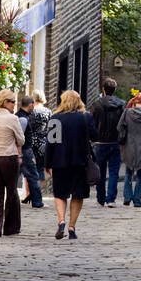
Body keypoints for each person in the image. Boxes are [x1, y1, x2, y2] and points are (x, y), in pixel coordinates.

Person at [44, 90, 98, 240]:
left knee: (60, 194)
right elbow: (95, 136)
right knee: (77, 195)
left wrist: (47, 163)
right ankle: (72, 227)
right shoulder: (86, 118)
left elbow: (51, 143)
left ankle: (61, 221)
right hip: (81, 162)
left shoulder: (55, 118)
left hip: (60, 162)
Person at [0, 90, 25, 237]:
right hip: (8, 157)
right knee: (11, 191)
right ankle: (11, 228)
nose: (15, 105)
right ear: (5, 102)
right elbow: (21, 140)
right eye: (13, 101)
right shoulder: (12, 119)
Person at [90, 77, 125, 207]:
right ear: (114, 90)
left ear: (103, 89)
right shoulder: (121, 104)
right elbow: (124, 124)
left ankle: (100, 199)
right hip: (115, 142)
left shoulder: (96, 105)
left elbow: (91, 123)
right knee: (114, 172)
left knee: (100, 172)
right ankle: (111, 199)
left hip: (100, 142)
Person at [17, 96, 44, 208]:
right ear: (31, 105)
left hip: (21, 151)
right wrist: (20, 154)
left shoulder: (19, 116)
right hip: (25, 151)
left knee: (14, 177)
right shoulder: (23, 118)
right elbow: (20, 137)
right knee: (33, 176)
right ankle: (37, 202)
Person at [31, 91, 51, 181]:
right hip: (43, 145)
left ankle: (30, 193)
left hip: (31, 144)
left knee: (30, 172)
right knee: (40, 170)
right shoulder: (48, 112)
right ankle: (37, 191)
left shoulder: (31, 111)